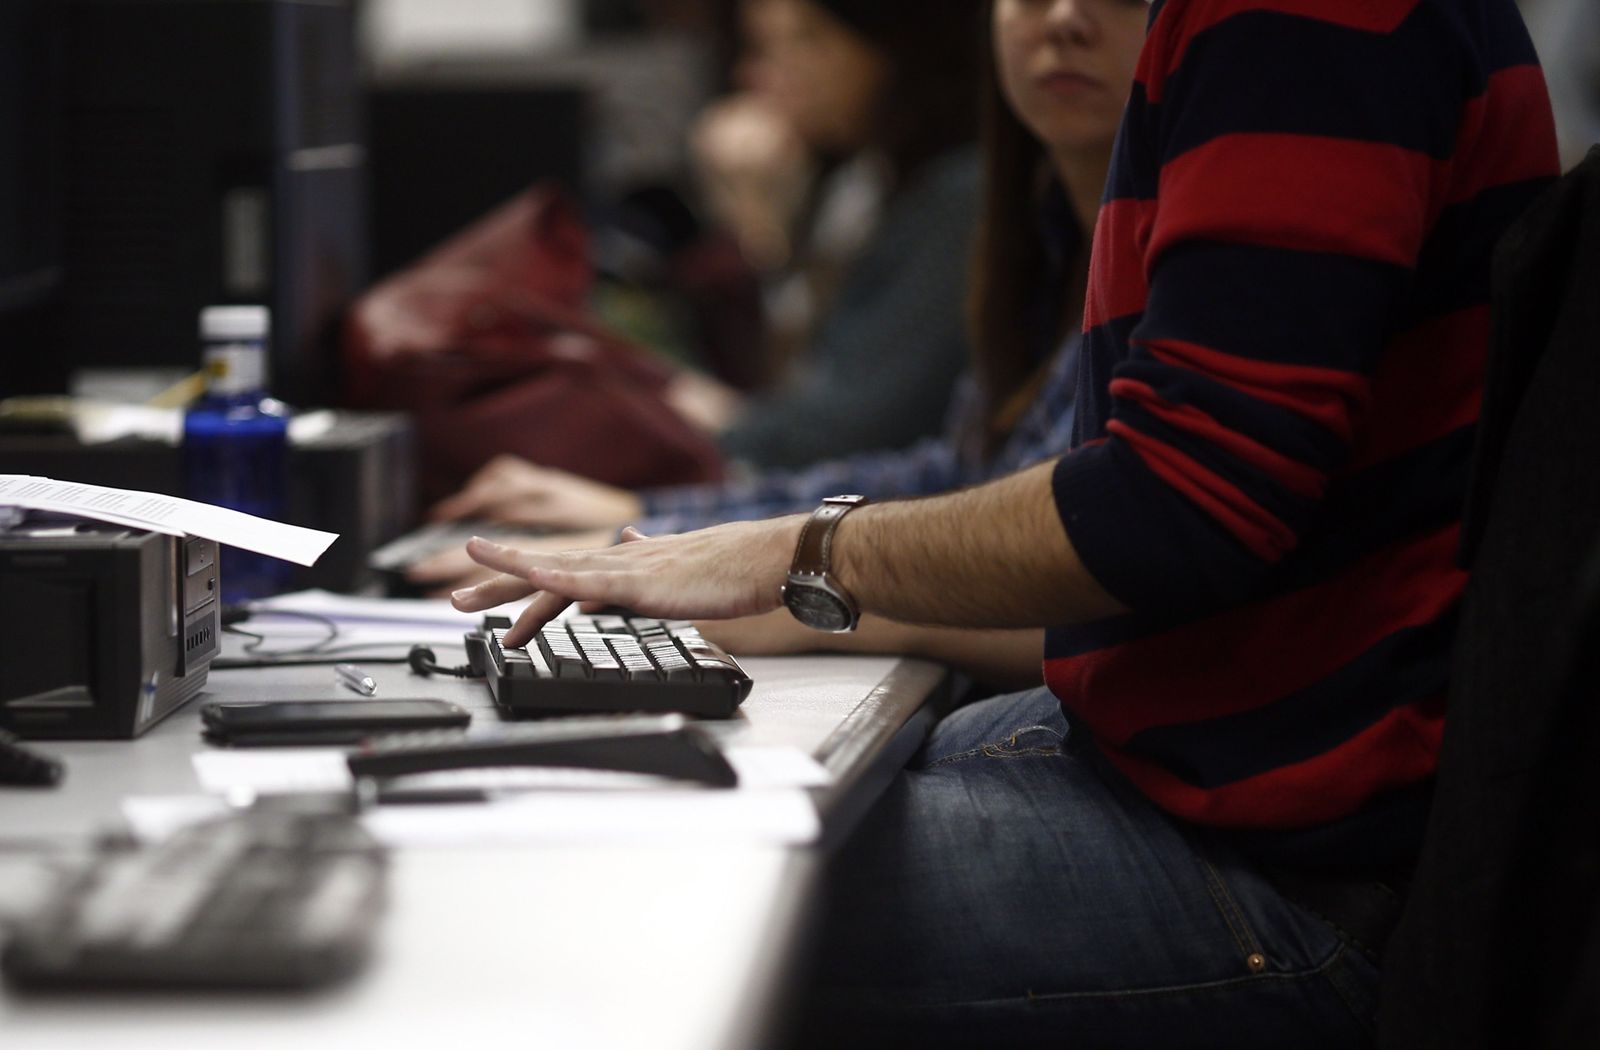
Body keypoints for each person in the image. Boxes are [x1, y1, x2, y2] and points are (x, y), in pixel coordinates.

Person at [450, 0, 1560, 1045]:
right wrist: (744, 558)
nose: (1059, 18)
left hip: (1292, 864)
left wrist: (801, 563)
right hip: (1179, 763)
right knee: (553, 797)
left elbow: (1176, 507)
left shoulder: (1296, 24)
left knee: (587, 890)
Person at [410, 0, 1148, 679]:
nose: (1064, 21)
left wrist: (808, 599)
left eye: (804, 40)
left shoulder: (963, 198)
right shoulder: (1030, 217)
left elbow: (826, 430)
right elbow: (954, 471)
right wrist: (650, 530)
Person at [667, 0, 987, 469]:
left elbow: (850, 428)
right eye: (763, 46)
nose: (760, 75)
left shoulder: (960, 193)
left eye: (807, 40)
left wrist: (730, 425)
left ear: (891, 43)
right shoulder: (856, 177)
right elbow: (792, 380)